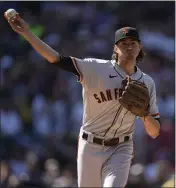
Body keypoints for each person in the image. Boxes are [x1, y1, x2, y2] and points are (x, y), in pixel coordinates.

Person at [4, 11, 161, 187]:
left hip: (121, 148)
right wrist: (27, 33)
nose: (129, 47)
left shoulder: (147, 82)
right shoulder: (95, 68)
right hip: (90, 145)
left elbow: (154, 131)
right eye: (123, 44)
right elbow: (56, 59)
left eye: (133, 43)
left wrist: (145, 115)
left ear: (140, 48)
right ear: (115, 49)